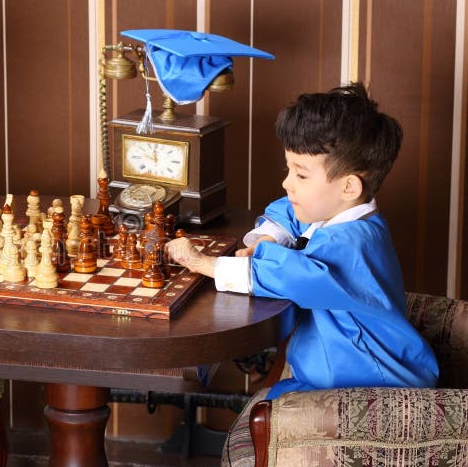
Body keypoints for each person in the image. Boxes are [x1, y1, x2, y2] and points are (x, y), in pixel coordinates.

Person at [165, 82, 438, 400]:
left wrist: (204, 263)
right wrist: (270, 236)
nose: (286, 182)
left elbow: (292, 275)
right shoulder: (343, 211)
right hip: (338, 373)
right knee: (265, 404)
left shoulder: (352, 247)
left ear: (349, 187)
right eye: (289, 169)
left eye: (301, 175)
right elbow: (290, 213)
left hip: (375, 385)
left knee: (266, 409)